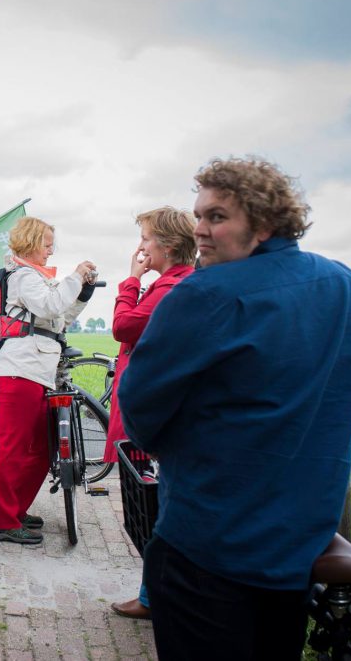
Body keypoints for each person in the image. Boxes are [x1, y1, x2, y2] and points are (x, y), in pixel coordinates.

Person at [119, 157, 351, 660]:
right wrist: (314, 395)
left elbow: (141, 405)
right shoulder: (342, 283)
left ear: (264, 223)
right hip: (300, 543)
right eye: (199, 216)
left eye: (217, 217)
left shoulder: (205, 294)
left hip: (209, 537)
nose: (199, 229)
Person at [105, 206, 196, 620]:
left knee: (160, 503)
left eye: (146, 238)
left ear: (169, 246)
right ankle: (154, 593)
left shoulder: (168, 288)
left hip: (155, 412)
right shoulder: (177, 284)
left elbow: (124, 326)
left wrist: (131, 280)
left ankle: (153, 597)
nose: (140, 246)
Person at [0, 216, 96, 544]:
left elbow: (58, 318)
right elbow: (49, 305)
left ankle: (14, 509)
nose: (50, 250)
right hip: (20, 370)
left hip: (35, 371)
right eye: (47, 244)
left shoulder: (37, 278)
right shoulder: (23, 276)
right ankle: (0, 521)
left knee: (42, 448)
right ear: (31, 243)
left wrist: (83, 293)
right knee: (13, 447)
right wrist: (75, 276)